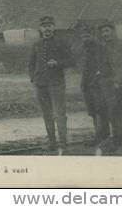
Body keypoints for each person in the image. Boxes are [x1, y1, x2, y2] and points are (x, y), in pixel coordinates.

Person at [28, 16, 75, 153]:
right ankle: (52, 142)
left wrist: (58, 63)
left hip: (56, 84)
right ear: (40, 29)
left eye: (49, 26)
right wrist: (33, 79)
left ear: (53, 27)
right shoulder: (36, 44)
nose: (47, 29)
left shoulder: (61, 42)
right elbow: (31, 64)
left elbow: (72, 61)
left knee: (59, 113)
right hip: (40, 84)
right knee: (46, 114)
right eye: (44, 26)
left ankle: (63, 143)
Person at [97, 20, 122, 151]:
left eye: (107, 31)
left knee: (120, 112)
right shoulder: (103, 46)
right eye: (102, 32)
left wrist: (118, 81)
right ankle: (117, 140)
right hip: (106, 83)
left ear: (113, 31)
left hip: (118, 83)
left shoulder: (121, 45)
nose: (105, 34)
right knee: (112, 112)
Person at [78, 24, 110, 145]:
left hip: (98, 83)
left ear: (92, 36)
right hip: (87, 84)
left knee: (100, 110)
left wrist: (98, 77)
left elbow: (103, 65)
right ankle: (100, 135)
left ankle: (102, 136)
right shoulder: (83, 48)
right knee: (92, 110)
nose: (85, 38)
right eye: (83, 36)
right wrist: (83, 82)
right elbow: (83, 67)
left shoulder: (99, 48)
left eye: (88, 35)